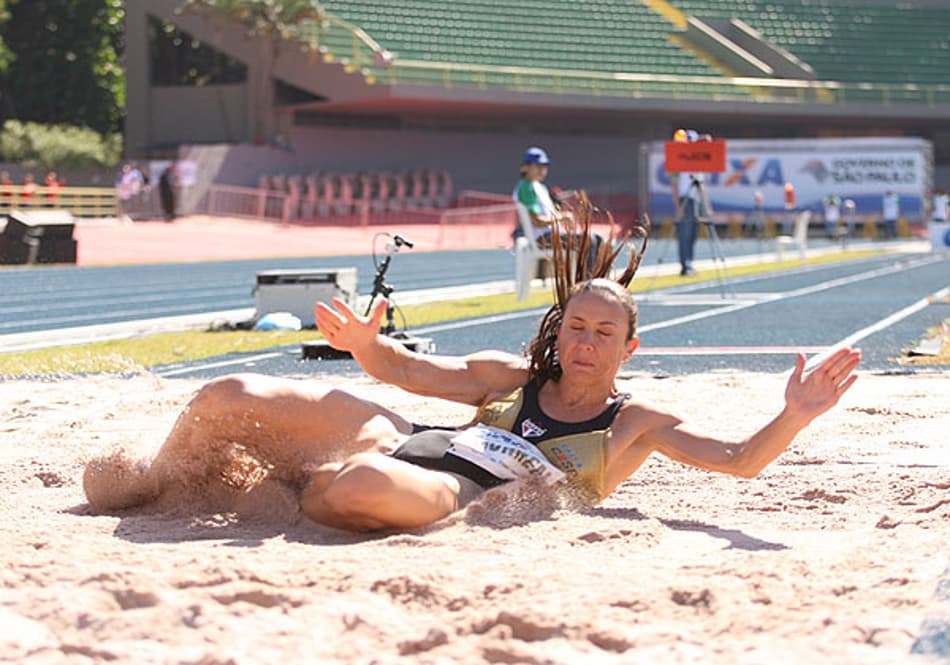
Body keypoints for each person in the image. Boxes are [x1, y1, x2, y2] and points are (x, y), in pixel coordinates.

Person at [82, 202, 861, 533]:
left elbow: (739, 459)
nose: (585, 341)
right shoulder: (512, 377)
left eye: (604, 333)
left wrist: (795, 413)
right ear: (559, 331)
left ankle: (290, 487)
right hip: (409, 434)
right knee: (228, 392)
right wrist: (365, 346)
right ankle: (159, 480)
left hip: (468, 490)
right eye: (575, 326)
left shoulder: (635, 423)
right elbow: (410, 373)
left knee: (356, 486)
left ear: (629, 348)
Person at [513, 146, 602, 273]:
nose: (542, 169)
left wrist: (564, 218)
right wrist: (562, 217)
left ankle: (596, 278)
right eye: (538, 166)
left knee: (598, 239)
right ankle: (587, 282)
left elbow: (551, 215)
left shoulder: (540, 187)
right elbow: (536, 221)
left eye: (544, 166)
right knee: (589, 240)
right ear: (526, 167)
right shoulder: (526, 187)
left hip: (552, 235)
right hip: (542, 238)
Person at [669, 131, 713, 276]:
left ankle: (690, 263)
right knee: (685, 233)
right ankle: (685, 265)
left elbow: (702, 184)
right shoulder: (678, 160)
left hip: (697, 200)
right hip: (685, 199)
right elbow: (674, 184)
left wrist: (707, 205)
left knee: (694, 233)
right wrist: (678, 207)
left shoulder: (699, 161)